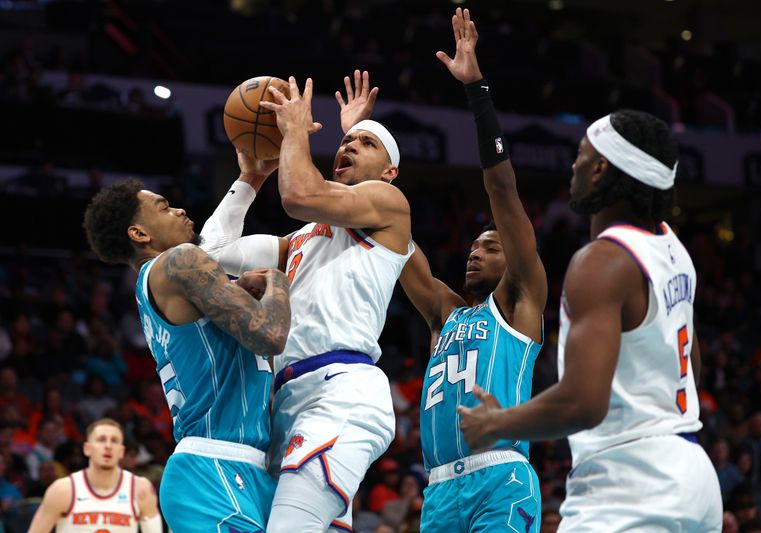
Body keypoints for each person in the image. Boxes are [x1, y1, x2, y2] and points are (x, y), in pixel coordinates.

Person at [459, 108, 723, 530]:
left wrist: (497, 424)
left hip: (630, 482)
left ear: (600, 169)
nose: (572, 165)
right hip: (692, 474)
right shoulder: (673, 250)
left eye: (581, 154)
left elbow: (584, 402)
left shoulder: (602, 261)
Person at [205, 68, 413, 532]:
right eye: (345, 141)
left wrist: (295, 130)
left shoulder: (390, 206)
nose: (348, 146)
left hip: (342, 391)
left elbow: (301, 193)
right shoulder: (298, 240)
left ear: (390, 173)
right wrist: (250, 180)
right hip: (284, 403)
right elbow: (211, 257)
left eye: (366, 144)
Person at [398, 8, 546, 532]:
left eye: (490, 246)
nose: (474, 253)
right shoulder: (446, 313)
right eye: (473, 247)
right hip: (439, 489)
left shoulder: (520, 301)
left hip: (499, 478)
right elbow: (391, 239)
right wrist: (366, 168)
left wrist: (476, 90)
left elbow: (501, 190)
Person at [81, 178, 291, 531]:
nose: (179, 210)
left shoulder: (160, 282)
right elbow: (269, 335)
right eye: (164, 207)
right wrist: (279, 281)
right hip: (212, 468)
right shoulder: (180, 260)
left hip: (240, 468)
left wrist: (249, 178)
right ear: (139, 233)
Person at [28, 418, 162, 532]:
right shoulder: (62, 490)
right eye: (101, 440)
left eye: (114, 440)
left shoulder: (140, 489)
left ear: (121, 451)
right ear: (87, 449)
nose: (108, 446)